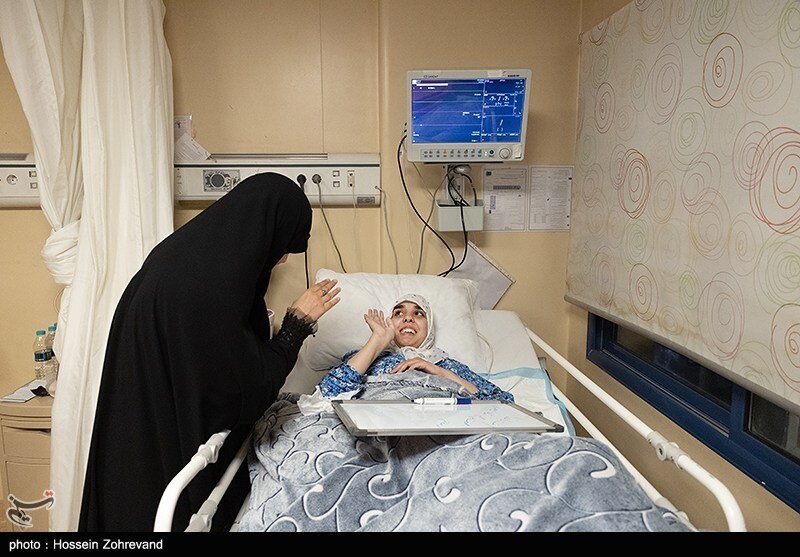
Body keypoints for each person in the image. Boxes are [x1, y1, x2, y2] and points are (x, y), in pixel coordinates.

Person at [79, 172, 341, 532]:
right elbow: (243, 394)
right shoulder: (209, 290)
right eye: (282, 247)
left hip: (136, 427)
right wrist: (295, 326)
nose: (281, 260)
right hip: (163, 455)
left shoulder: (185, 256)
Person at [319, 294, 512, 401]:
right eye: (398, 313)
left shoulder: (446, 365)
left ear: (430, 327)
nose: (408, 318)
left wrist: (438, 372)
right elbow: (328, 392)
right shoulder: (365, 357)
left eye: (418, 313)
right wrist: (377, 341)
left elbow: (501, 402)